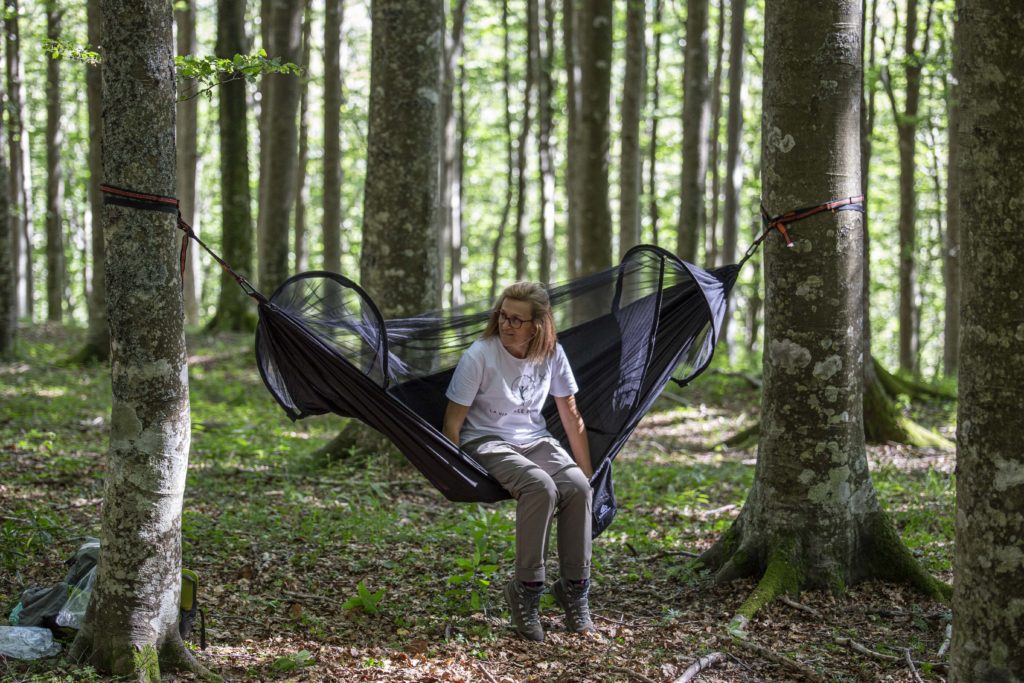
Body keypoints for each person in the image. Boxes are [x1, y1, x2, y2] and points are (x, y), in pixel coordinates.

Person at [443, 282, 595, 641]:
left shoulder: (552, 353)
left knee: (577, 488)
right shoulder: (480, 355)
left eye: (516, 319)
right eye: (503, 316)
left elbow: (571, 416)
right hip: (486, 441)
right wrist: (452, 476)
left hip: (535, 440)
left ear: (537, 327)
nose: (506, 324)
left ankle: (574, 588)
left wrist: (588, 474)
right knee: (540, 487)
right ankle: (526, 590)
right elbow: (452, 423)